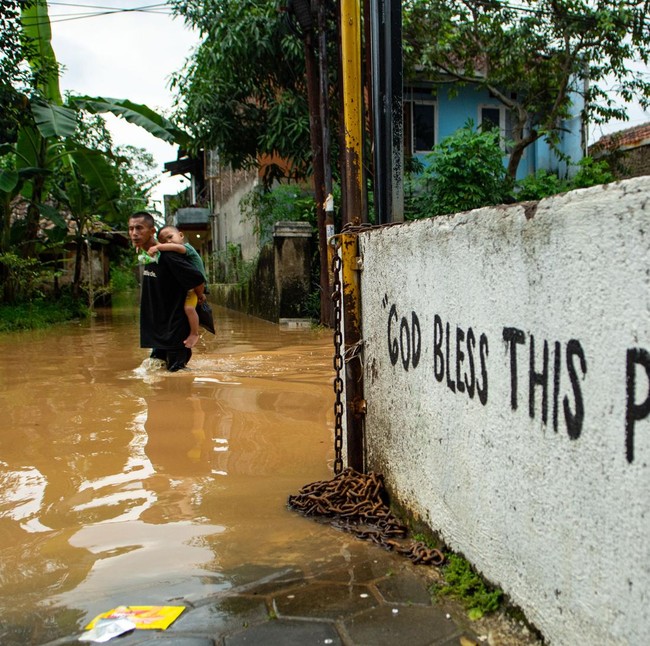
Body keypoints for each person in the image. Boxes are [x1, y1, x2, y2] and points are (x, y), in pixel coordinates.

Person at [128, 212, 205, 372]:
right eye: (131, 229)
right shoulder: (150, 256)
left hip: (175, 333)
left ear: (152, 231)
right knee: (157, 376)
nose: (134, 233)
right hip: (159, 332)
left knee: (178, 378)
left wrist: (199, 296)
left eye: (139, 228)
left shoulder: (168, 256)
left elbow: (197, 277)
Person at [146, 225, 207, 349]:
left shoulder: (187, 248)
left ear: (181, 235)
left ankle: (194, 333)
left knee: (189, 309)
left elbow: (175, 247)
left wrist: (157, 246)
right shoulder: (176, 255)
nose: (168, 241)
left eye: (170, 237)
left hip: (195, 285)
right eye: (164, 240)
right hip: (190, 287)